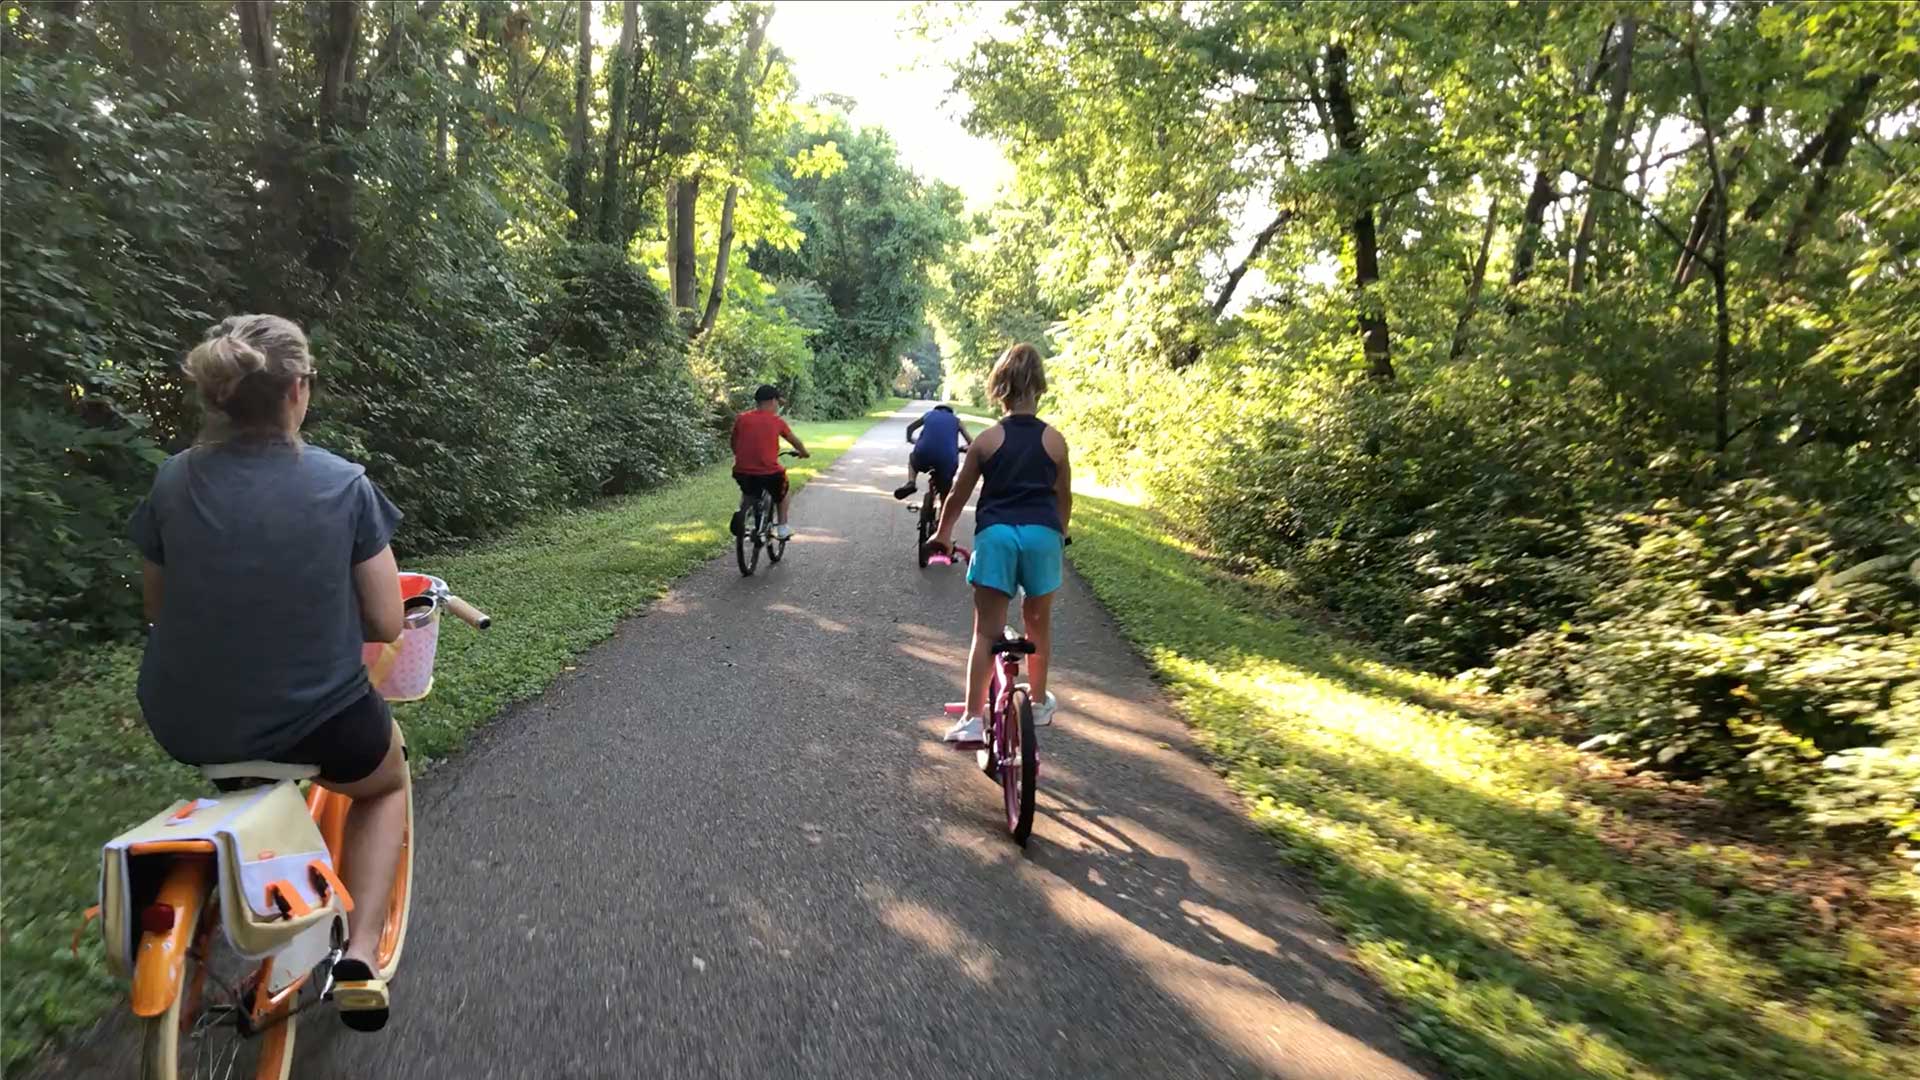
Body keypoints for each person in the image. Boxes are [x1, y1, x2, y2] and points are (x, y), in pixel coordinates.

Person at [130, 315, 406, 1032]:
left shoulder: (171, 481)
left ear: (219, 395)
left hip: (183, 716)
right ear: (297, 391)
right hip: (320, 719)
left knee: (251, 756)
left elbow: (157, 607)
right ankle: (362, 955)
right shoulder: (343, 484)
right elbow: (384, 621)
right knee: (384, 783)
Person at [927, 344, 1069, 744]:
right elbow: (1064, 498)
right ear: (1039, 389)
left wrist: (943, 534)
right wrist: (1060, 532)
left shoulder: (987, 441)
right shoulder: (1056, 442)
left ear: (998, 390)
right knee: (1037, 621)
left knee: (986, 631)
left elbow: (957, 496)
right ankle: (1038, 703)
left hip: (997, 536)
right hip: (1043, 536)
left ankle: (973, 719)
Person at [731, 384, 810, 540]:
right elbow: (795, 442)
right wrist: (804, 453)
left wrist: (740, 454)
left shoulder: (742, 419)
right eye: (778, 403)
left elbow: (733, 442)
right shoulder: (776, 421)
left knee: (748, 490)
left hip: (742, 471)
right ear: (772, 401)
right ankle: (782, 527)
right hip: (769, 473)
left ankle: (743, 513)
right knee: (784, 490)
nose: (778, 407)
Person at [893, 403, 972, 501]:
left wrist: (911, 440)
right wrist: (962, 449)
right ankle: (944, 509)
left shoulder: (929, 415)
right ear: (951, 413)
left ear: (936, 410)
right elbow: (971, 443)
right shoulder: (956, 421)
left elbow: (910, 428)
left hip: (923, 453)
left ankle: (911, 482)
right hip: (947, 459)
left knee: (913, 458)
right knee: (946, 486)